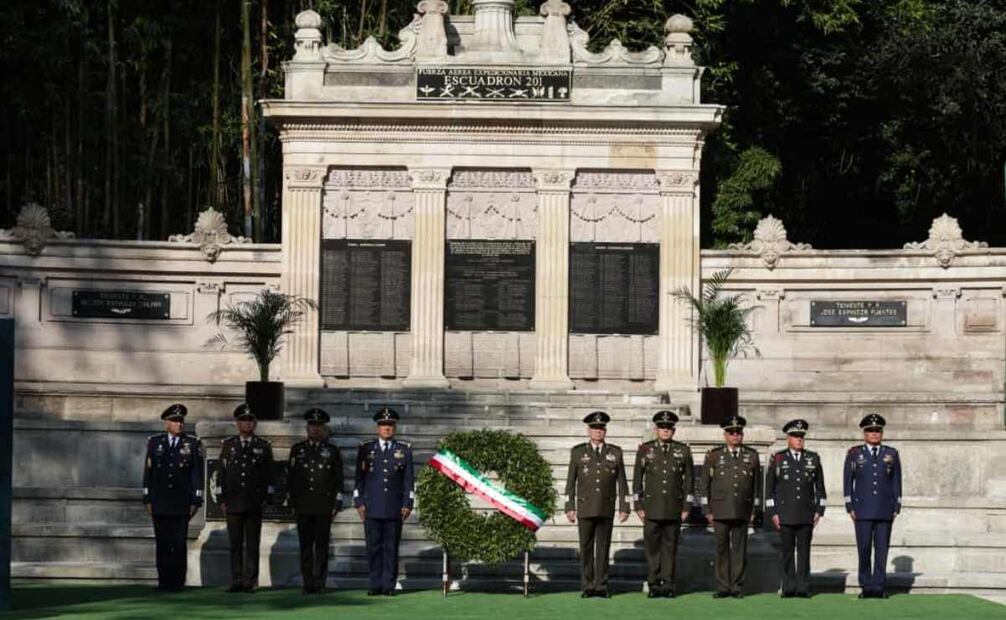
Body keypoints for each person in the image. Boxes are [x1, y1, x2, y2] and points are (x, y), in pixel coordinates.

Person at [564, 411, 630, 598]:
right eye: (595, 428)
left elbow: (622, 482)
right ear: (588, 430)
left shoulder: (615, 452)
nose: (598, 431)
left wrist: (624, 507)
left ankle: (601, 586)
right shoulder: (578, 452)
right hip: (585, 507)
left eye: (601, 428)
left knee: (603, 548)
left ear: (605, 431)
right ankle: (587, 585)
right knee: (585, 548)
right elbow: (570, 482)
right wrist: (569, 506)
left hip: (606, 507)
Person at [632, 410, 694, 598]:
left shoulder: (682, 450)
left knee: (670, 548)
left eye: (669, 428)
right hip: (651, 508)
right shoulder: (645, 450)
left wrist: (686, 507)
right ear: (656, 429)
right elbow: (637, 480)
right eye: (662, 427)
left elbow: (689, 481)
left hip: (674, 508)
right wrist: (638, 506)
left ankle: (668, 584)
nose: (665, 431)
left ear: (673, 430)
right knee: (652, 549)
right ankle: (653, 584)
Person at [142, 403, 203, 591]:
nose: (179, 424)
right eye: (175, 421)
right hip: (160, 502)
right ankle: (163, 581)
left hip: (181, 502)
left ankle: (177, 582)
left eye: (181, 421)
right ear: (166, 423)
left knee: (178, 544)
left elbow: (196, 474)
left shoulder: (192, 444)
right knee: (162, 543)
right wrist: (147, 498)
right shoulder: (155, 442)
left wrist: (196, 500)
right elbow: (148, 473)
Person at [354, 408, 414, 596]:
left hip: (394, 507)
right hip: (371, 506)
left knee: (390, 548)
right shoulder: (366, 448)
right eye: (383, 425)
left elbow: (408, 480)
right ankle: (374, 584)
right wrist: (358, 501)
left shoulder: (403, 449)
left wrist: (408, 503)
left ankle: (388, 585)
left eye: (390, 425)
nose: (387, 428)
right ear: (377, 427)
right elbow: (359, 479)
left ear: (395, 427)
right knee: (373, 547)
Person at [700, 415, 762, 599]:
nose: (736, 436)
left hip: (742, 509)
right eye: (732, 433)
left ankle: (736, 586)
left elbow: (757, 487)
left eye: (739, 433)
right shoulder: (714, 455)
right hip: (719, 510)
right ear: (725, 435)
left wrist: (753, 511)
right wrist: (706, 510)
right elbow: (705, 485)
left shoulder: (751, 455)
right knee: (721, 549)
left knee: (739, 550)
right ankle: (722, 586)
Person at [765, 419, 826, 598]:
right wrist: (773, 513)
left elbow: (820, 488)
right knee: (787, 552)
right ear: (788, 438)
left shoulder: (813, 458)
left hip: (806, 514)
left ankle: (803, 587)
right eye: (795, 436)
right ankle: (788, 586)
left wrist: (819, 511)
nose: (799, 439)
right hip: (785, 514)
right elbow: (769, 490)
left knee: (804, 553)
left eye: (801, 436)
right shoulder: (778, 458)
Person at [844, 413, 902, 599]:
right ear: (864, 433)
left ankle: (879, 586)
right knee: (864, 548)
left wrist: (897, 504)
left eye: (878, 431)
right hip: (862, 509)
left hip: (885, 509)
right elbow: (847, 481)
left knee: (882, 550)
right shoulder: (854, 453)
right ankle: (866, 586)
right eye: (871, 431)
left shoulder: (891, 454)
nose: (875, 434)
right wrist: (849, 505)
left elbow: (896, 481)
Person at [287, 407, 343, 594]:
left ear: (324, 428)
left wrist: (337, 503)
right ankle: (307, 582)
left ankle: (320, 582)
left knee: (321, 547)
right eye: (312, 425)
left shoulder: (332, 451)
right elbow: (291, 479)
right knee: (305, 546)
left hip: (323, 506)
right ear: (307, 428)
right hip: (303, 505)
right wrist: (292, 502)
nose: (315, 428)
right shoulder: (297, 450)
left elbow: (338, 480)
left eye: (319, 425)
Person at [218, 403, 274, 593]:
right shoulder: (229, 445)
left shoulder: (263, 446)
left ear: (255, 424)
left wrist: (267, 498)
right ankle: (236, 579)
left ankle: (250, 580)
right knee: (234, 543)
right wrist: (221, 499)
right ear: (237, 423)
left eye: (250, 421)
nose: (247, 424)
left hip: (253, 502)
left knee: (252, 544)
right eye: (243, 420)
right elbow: (221, 474)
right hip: (233, 502)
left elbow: (269, 475)